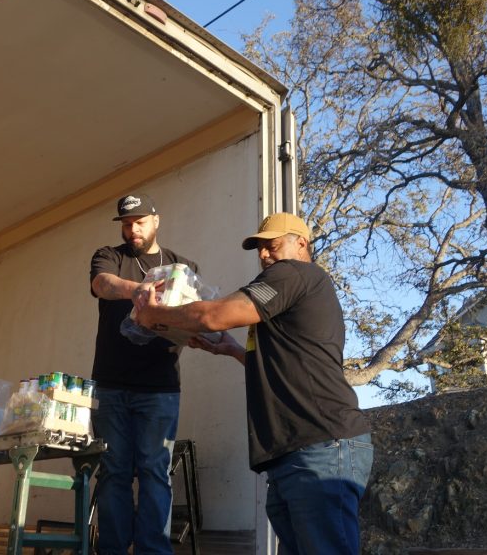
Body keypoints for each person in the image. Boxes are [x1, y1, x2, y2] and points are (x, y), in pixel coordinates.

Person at [132, 212, 373, 555]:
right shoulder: (297, 293)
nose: (263, 255)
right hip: (299, 451)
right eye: (259, 249)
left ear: (301, 243)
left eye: (272, 245)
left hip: (319, 446)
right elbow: (289, 362)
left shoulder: (293, 273)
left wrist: (153, 315)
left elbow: (212, 316)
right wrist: (232, 350)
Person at [89, 192, 199, 555]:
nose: (132, 229)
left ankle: (154, 550)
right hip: (110, 386)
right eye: (126, 223)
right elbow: (102, 285)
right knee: (114, 472)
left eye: (139, 222)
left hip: (160, 388)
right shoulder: (109, 256)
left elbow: (194, 317)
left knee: (155, 472)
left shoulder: (182, 266)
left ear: (156, 220)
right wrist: (140, 290)